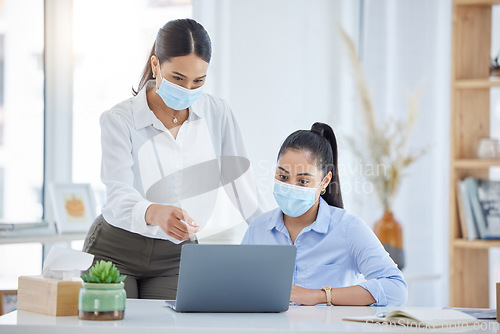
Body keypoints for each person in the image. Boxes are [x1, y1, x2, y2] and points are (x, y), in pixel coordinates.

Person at [83, 18, 260, 299]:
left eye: (198, 81)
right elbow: (118, 194)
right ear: (156, 65)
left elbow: (239, 181)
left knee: (170, 325)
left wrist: (270, 233)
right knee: (113, 323)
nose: (188, 90)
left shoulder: (217, 113)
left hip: (177, 254)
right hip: (116, 248)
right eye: (178, 78)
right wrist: (155, 212)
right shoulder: (119, 120)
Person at [241, 122, 407, 306]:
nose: (290, 187)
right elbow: (238, 289)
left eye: (303, 181)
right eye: (283, 177)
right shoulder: (258, 229)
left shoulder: (348, 229)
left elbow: (396, 289)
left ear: (324, 181)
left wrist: (318, 296)